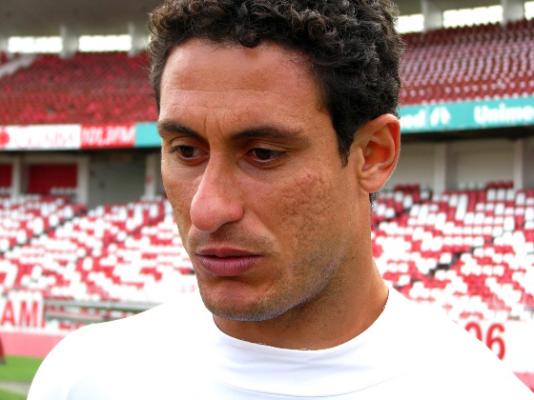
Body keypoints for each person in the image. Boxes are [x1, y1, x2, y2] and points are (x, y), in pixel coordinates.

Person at [29, 1, 533, 399]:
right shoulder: (83, 378)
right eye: (185, 151)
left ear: (373, 155)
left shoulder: (477, 391)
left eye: (264, 154)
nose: (207, 209)